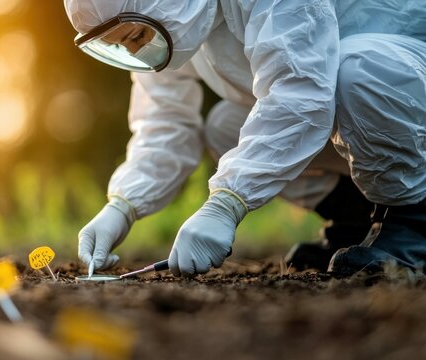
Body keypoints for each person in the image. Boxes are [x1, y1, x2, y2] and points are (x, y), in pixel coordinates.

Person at [64, 0, 426, 277]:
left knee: (356, 73)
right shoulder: (164, 19)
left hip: (403, 79)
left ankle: (413, 224)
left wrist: (227, 203)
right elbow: (165, 120)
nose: (135, 50)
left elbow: (300, 91)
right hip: (350, 96)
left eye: (134, 37)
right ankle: (356, 223)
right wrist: (123, 205)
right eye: (122, 44)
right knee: (226, 126)